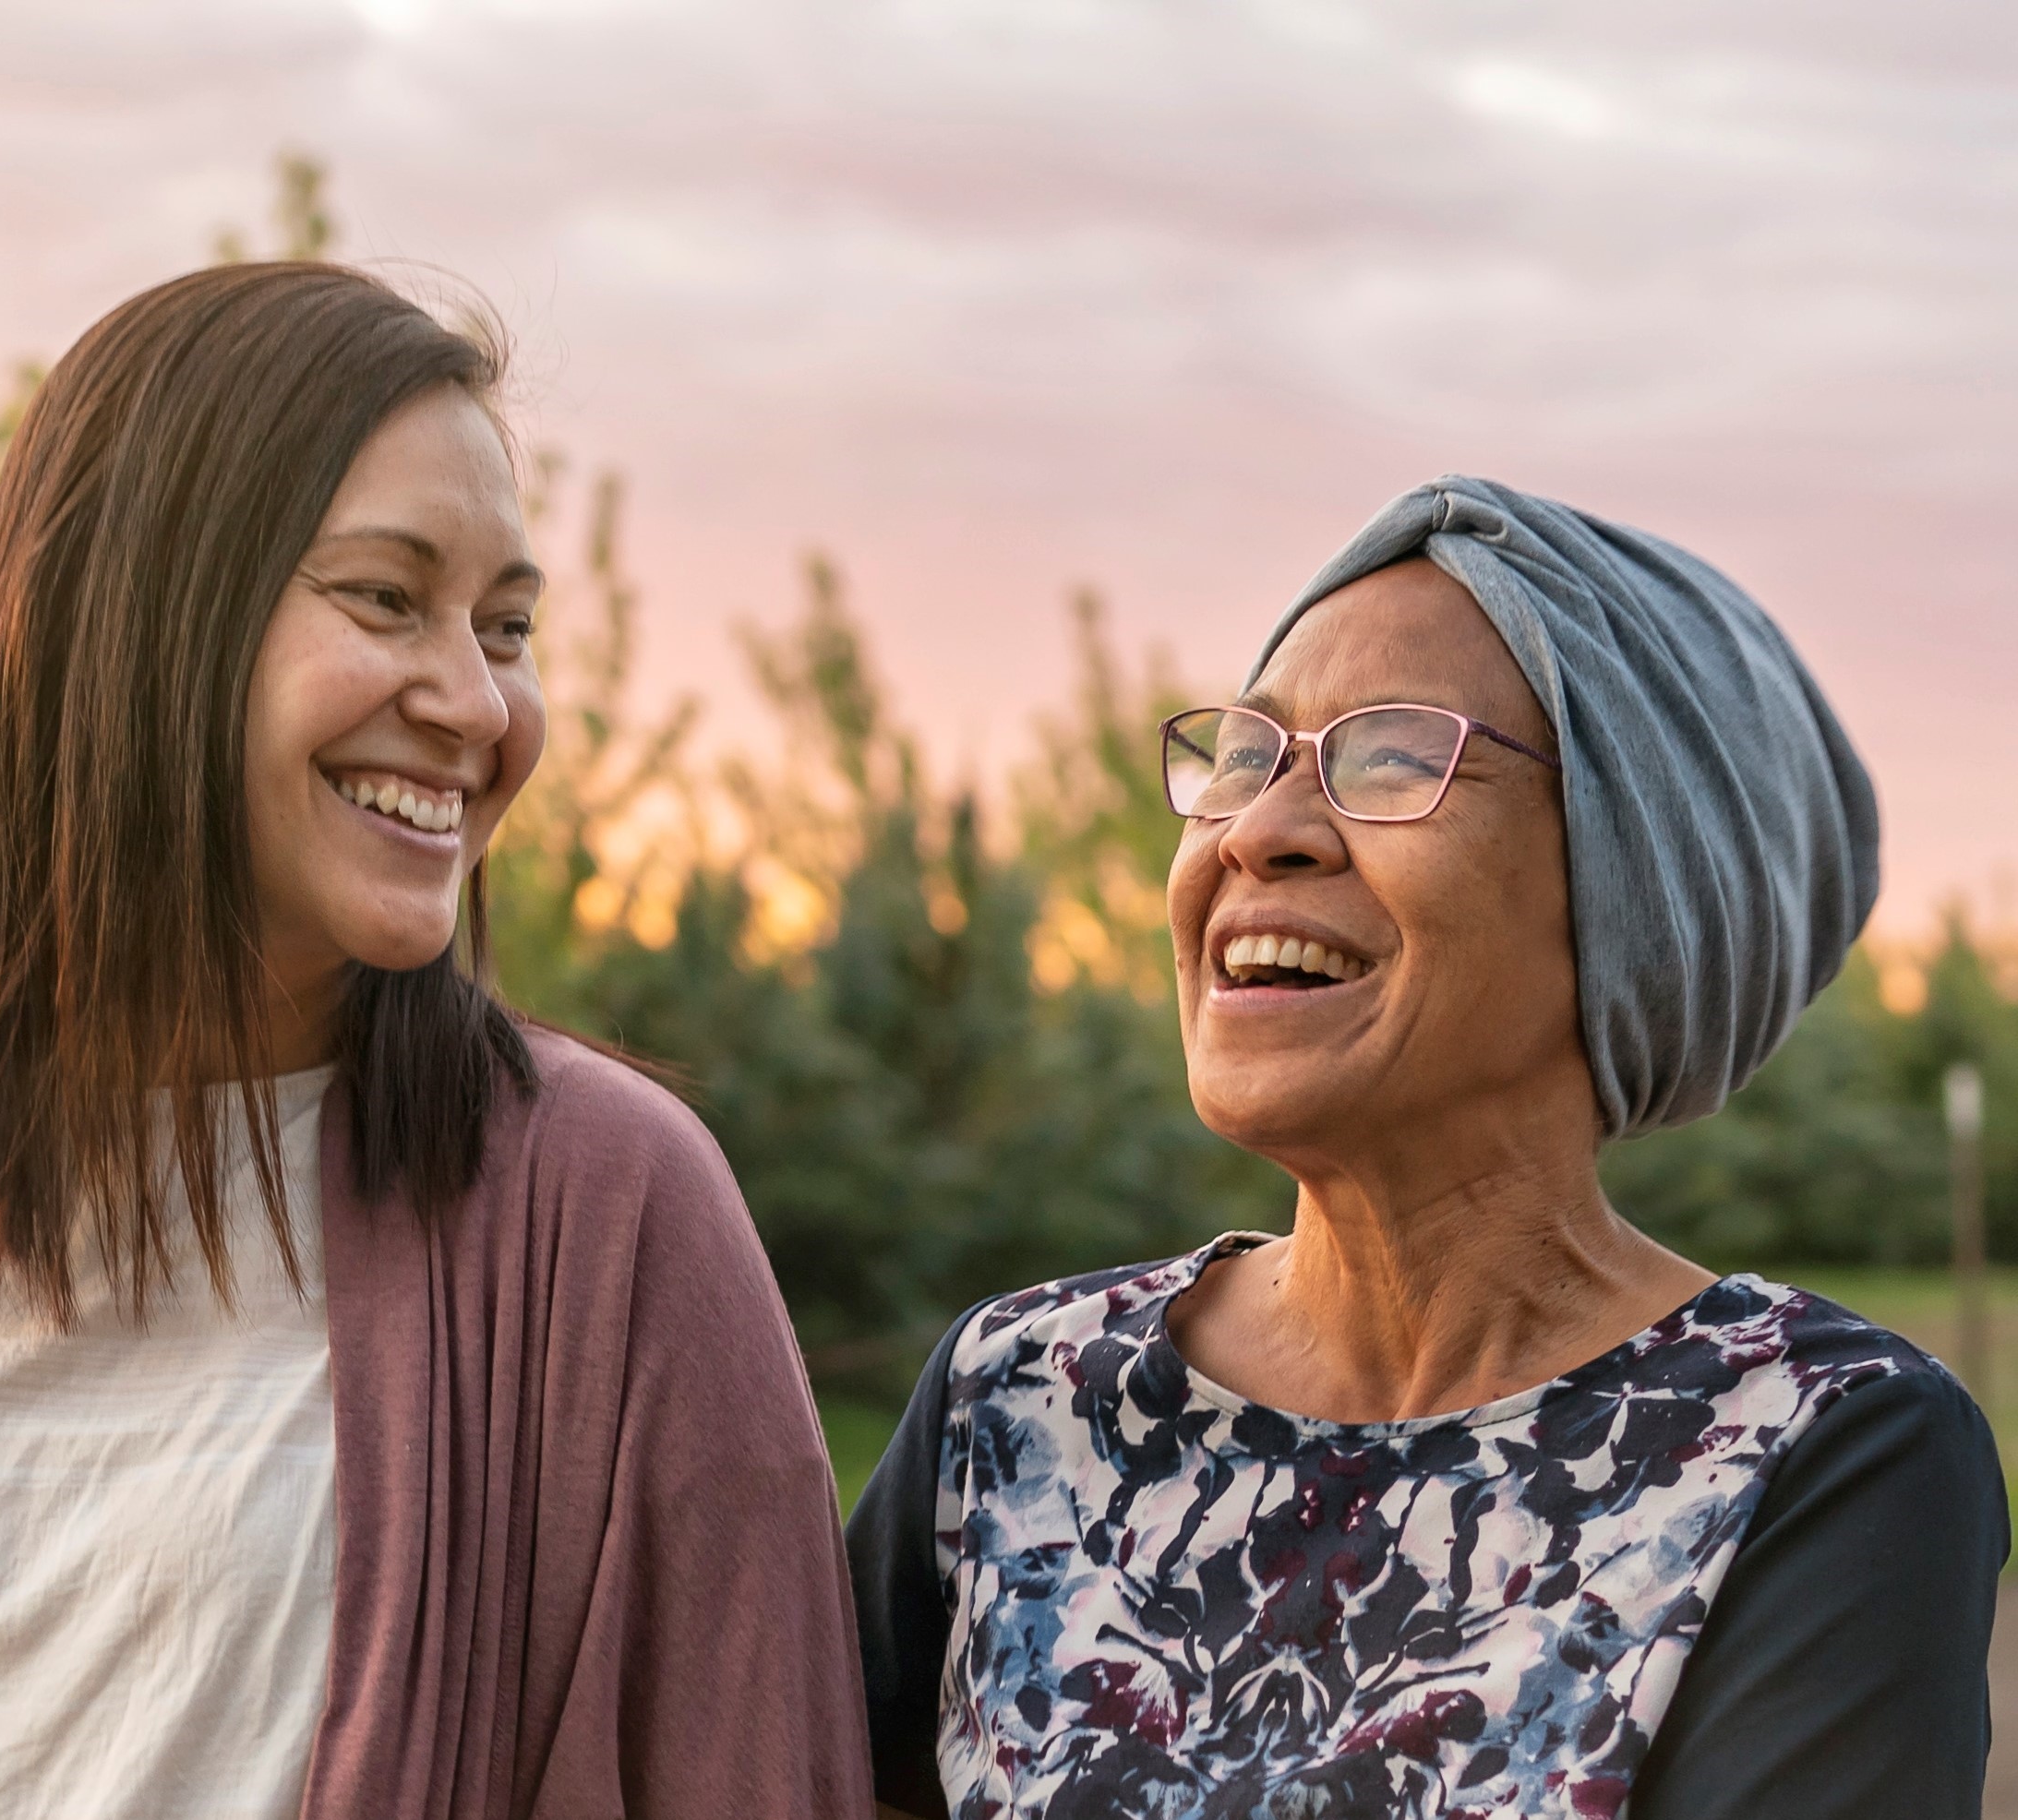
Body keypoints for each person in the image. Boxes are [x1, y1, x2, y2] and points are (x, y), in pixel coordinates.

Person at [0, 262, 868, 1820]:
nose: (476, 702)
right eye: (385, 596)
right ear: (138, 620)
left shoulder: (605, 1214)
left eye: (505, 627)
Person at [847, 474, 2005, 1817]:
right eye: (1243, 757)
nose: (1258, 833)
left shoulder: (1819, 1448)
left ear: (1633, 895)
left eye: (1390, 756)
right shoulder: (1015, 1398)